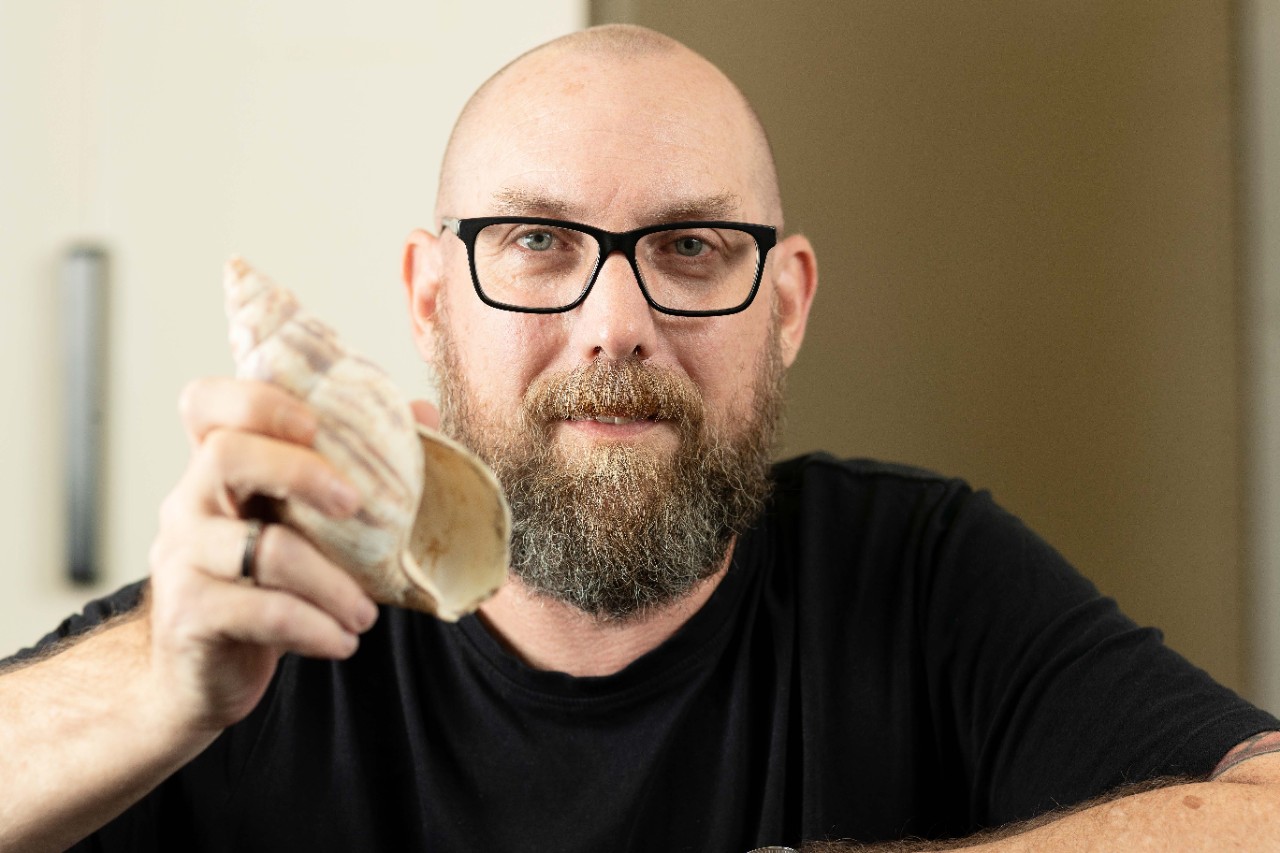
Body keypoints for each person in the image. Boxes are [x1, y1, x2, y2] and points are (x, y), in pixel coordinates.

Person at [2, 23, 1279, 853]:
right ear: (430, 298)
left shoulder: (916, 573)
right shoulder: (276, 617)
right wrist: (157, 684)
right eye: (539, 241)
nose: (616, 322)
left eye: (690, 246)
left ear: (784, 306)